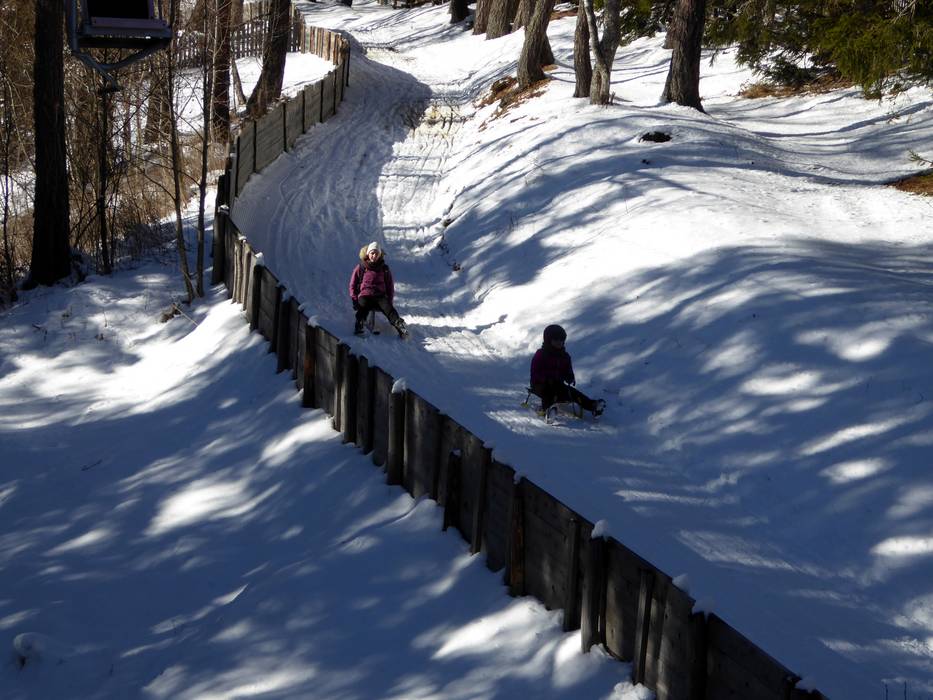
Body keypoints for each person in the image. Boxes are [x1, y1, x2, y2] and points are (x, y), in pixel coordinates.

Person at [530, 324, 605, 417]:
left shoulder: (565, 356)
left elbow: (568, 370)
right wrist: (549, 376)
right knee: (548, 392)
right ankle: (548, 411)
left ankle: (592, 405)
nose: (559, 342)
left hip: (558, 385)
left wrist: (570, 377)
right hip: (540, 385)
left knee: (573, 393)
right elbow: (535, 373)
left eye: (561, 340)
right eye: (556, 339)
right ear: (548, 340)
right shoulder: (541, 354)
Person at [348, 241, 408, 337]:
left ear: (380, 255)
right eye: (372, 253)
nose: (374, 255)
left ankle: (400, 326)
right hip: (365, 295)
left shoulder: (384, 269)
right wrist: (355, 299)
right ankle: (359, 325)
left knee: (389, 309)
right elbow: (352, 284)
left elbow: (390, 286)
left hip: (380, 296)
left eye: (376, 253)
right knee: (362, 307)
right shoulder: (361, 267)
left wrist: (389, 301)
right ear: (368, 254)